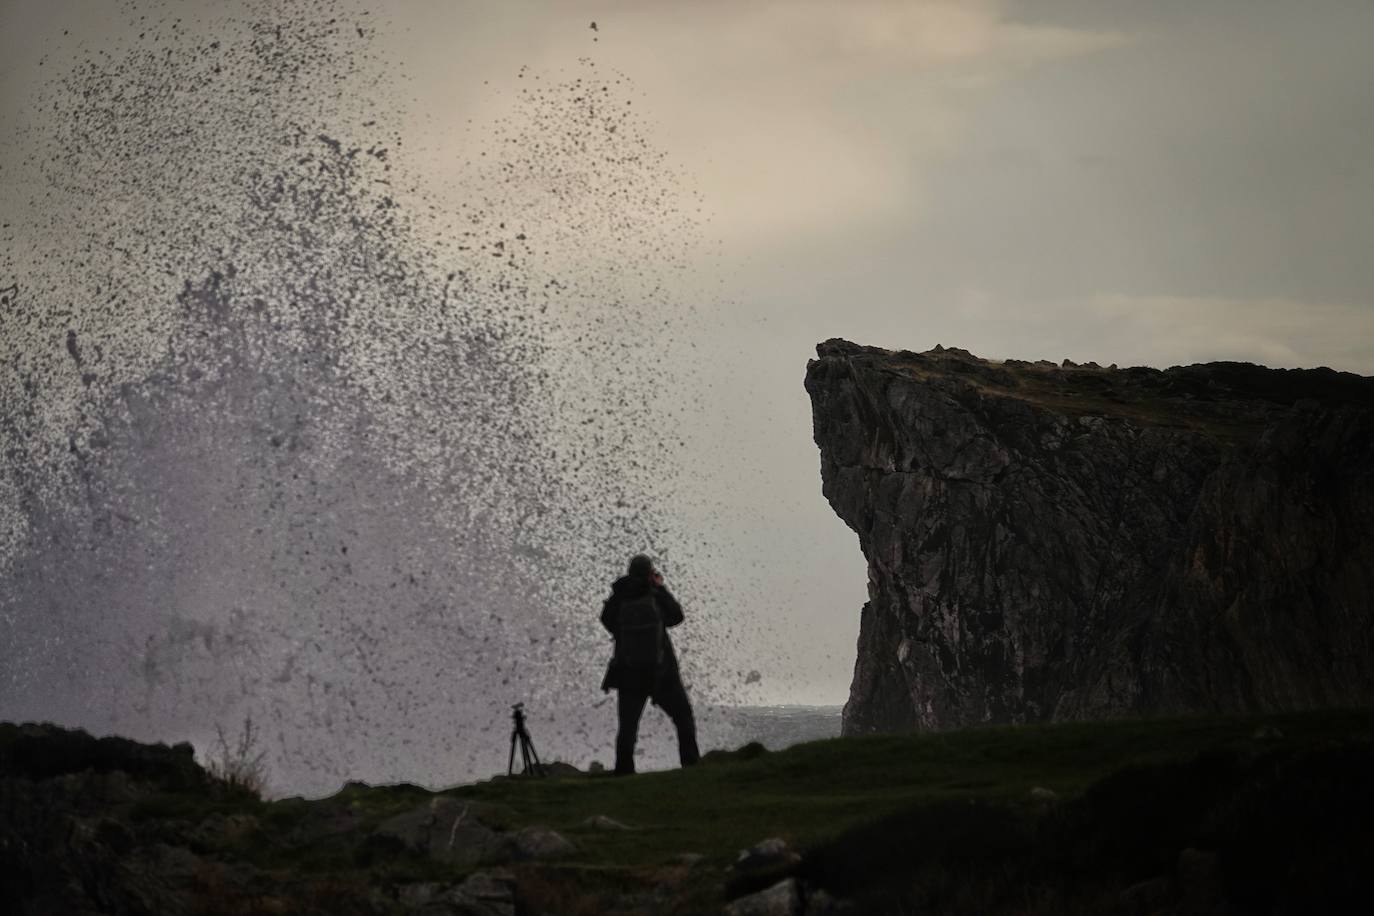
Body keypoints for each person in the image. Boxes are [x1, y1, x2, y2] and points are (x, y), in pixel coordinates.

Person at [600, 554, 699, 775]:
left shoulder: (621, 593)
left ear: (629, 571)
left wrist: (623, 635)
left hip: (628, 672)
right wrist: (660, 588)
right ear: (649, 572)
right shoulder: (654, 592)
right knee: (682, 716)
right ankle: (691, 766)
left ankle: (624, 771)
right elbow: (676, 616)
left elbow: (606, 619)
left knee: (628, 727)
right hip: (662, 671)